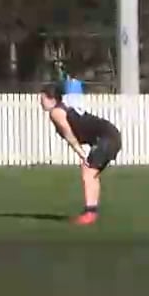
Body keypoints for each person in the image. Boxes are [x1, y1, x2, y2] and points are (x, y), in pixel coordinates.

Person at [40, 82, 122, 226]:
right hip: (110, 135)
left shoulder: (56, 112)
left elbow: (69, 135)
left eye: (42, 98)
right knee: (91, 173)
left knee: (88, 173)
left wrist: (81, 153)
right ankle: (91, 212)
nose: (40, 102)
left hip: (106, 137)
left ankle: (90, 213)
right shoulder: (64, 108)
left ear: (51, 99)